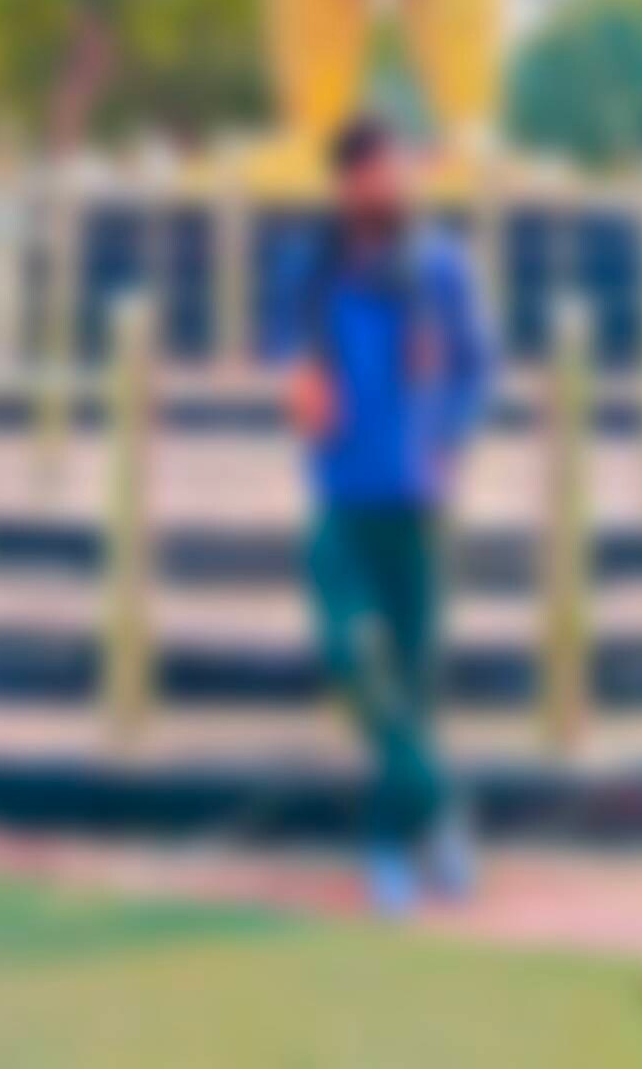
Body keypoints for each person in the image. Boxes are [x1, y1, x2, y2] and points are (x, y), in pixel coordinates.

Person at [284, 115, 496, 917]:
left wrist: (449, 435)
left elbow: (477, 367)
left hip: (417, 501)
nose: (385, 187)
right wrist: (300, 393)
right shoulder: (312, 268)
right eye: (369, 176)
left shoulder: (440, 267)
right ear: (344, 186)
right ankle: (441, 812)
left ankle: (389, 842)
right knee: (356, 657)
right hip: (340, 499)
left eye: (394, 172)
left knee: (409, 684)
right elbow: (287, 359)